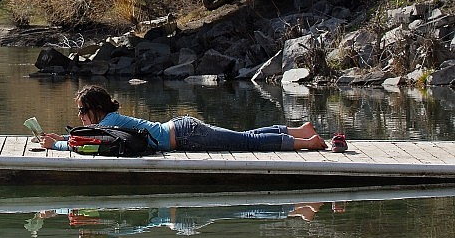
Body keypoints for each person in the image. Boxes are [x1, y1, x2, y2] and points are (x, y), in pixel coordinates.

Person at [40, 85, 328, 152]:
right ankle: (301, 130)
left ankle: (307, 143)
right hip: (183, 128)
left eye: (81, 110)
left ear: (94, 109)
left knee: (245, 142)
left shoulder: (107, 123)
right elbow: (87, 138)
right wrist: (61, 138)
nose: (79, 116)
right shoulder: (109, 120)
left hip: (187, 135)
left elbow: (92, 142)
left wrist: (58, 145)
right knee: (245, 134)